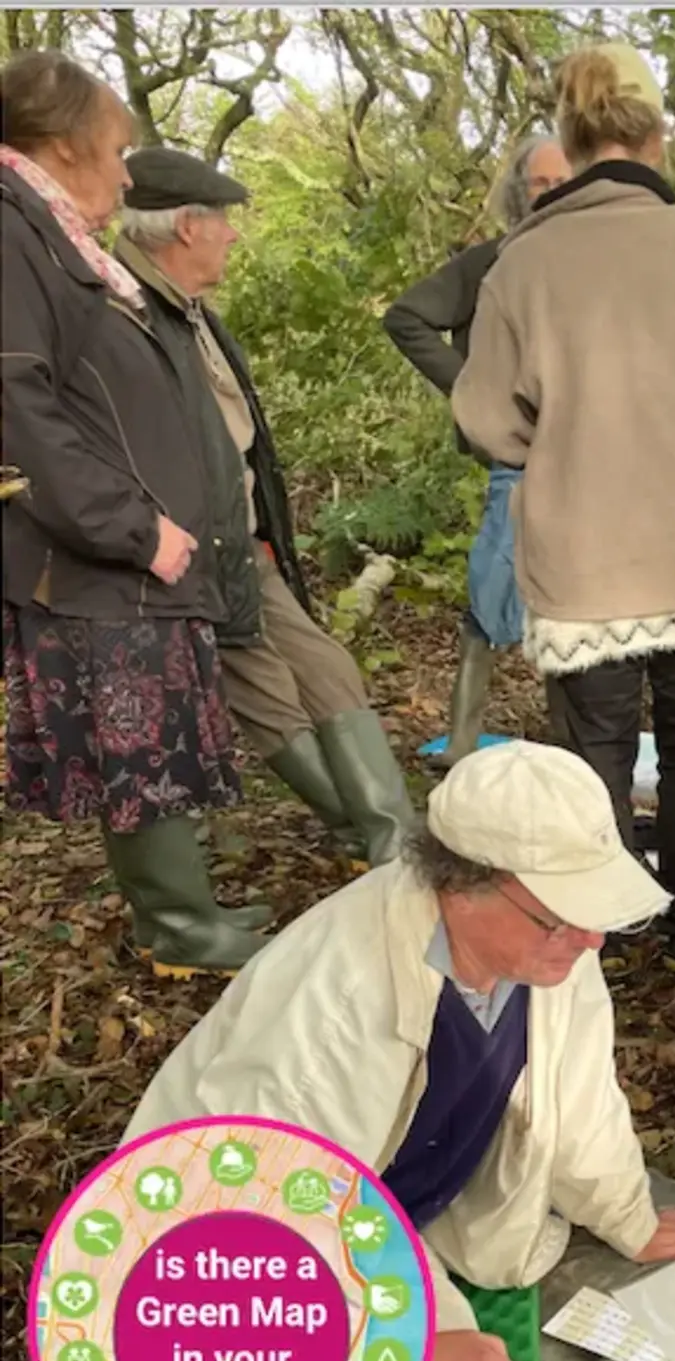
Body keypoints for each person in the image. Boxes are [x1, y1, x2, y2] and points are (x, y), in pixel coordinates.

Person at [0, 741, 675, 1361]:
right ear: (462, 882)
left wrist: (631, 1219)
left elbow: (580, 1098)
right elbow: (255, 1223)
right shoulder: (332, 1002)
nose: (589, 935)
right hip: (207, 1261)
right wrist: (414, 1352)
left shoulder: (545, 951)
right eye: (559, 915)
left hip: (360, 1237)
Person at [453, 41, 675, 972]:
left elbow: (488, 418)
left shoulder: (523, 266)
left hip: (584, 560)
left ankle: (594, 940)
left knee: (596, 759)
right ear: (659, 138)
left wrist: (565, 439)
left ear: (568, 143)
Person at [0, 51, 267, 977]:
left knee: (157, 747)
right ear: (66, 143)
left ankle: (182, 913)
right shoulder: (11, 232)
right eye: (116, 149)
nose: (126, 171)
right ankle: (180, 930)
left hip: (129, 564)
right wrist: (134, 526)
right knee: (138, 754)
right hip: (99, 564)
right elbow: (15, 409)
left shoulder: (52, 231)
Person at [115, 147, 417, 869]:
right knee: (265, 695)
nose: (233, 234)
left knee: (326, 668)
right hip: (185, 559)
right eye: (222, 219)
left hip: (244, 547)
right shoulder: (124, 311)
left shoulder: (191, 314)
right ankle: (381, 841)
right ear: (187, 226)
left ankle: (391, 836)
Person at [384, 136, 573, 768]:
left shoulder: (593, 266)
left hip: (588, 462)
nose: (551, 193)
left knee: (574, 605)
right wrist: (470, 385)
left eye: (562, 181)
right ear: (522, 193)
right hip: (516, 461)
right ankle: (462, 744)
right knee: (491, 592)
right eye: (540, 183)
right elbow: (406, 316)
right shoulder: (489, 262)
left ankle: (576, 755)